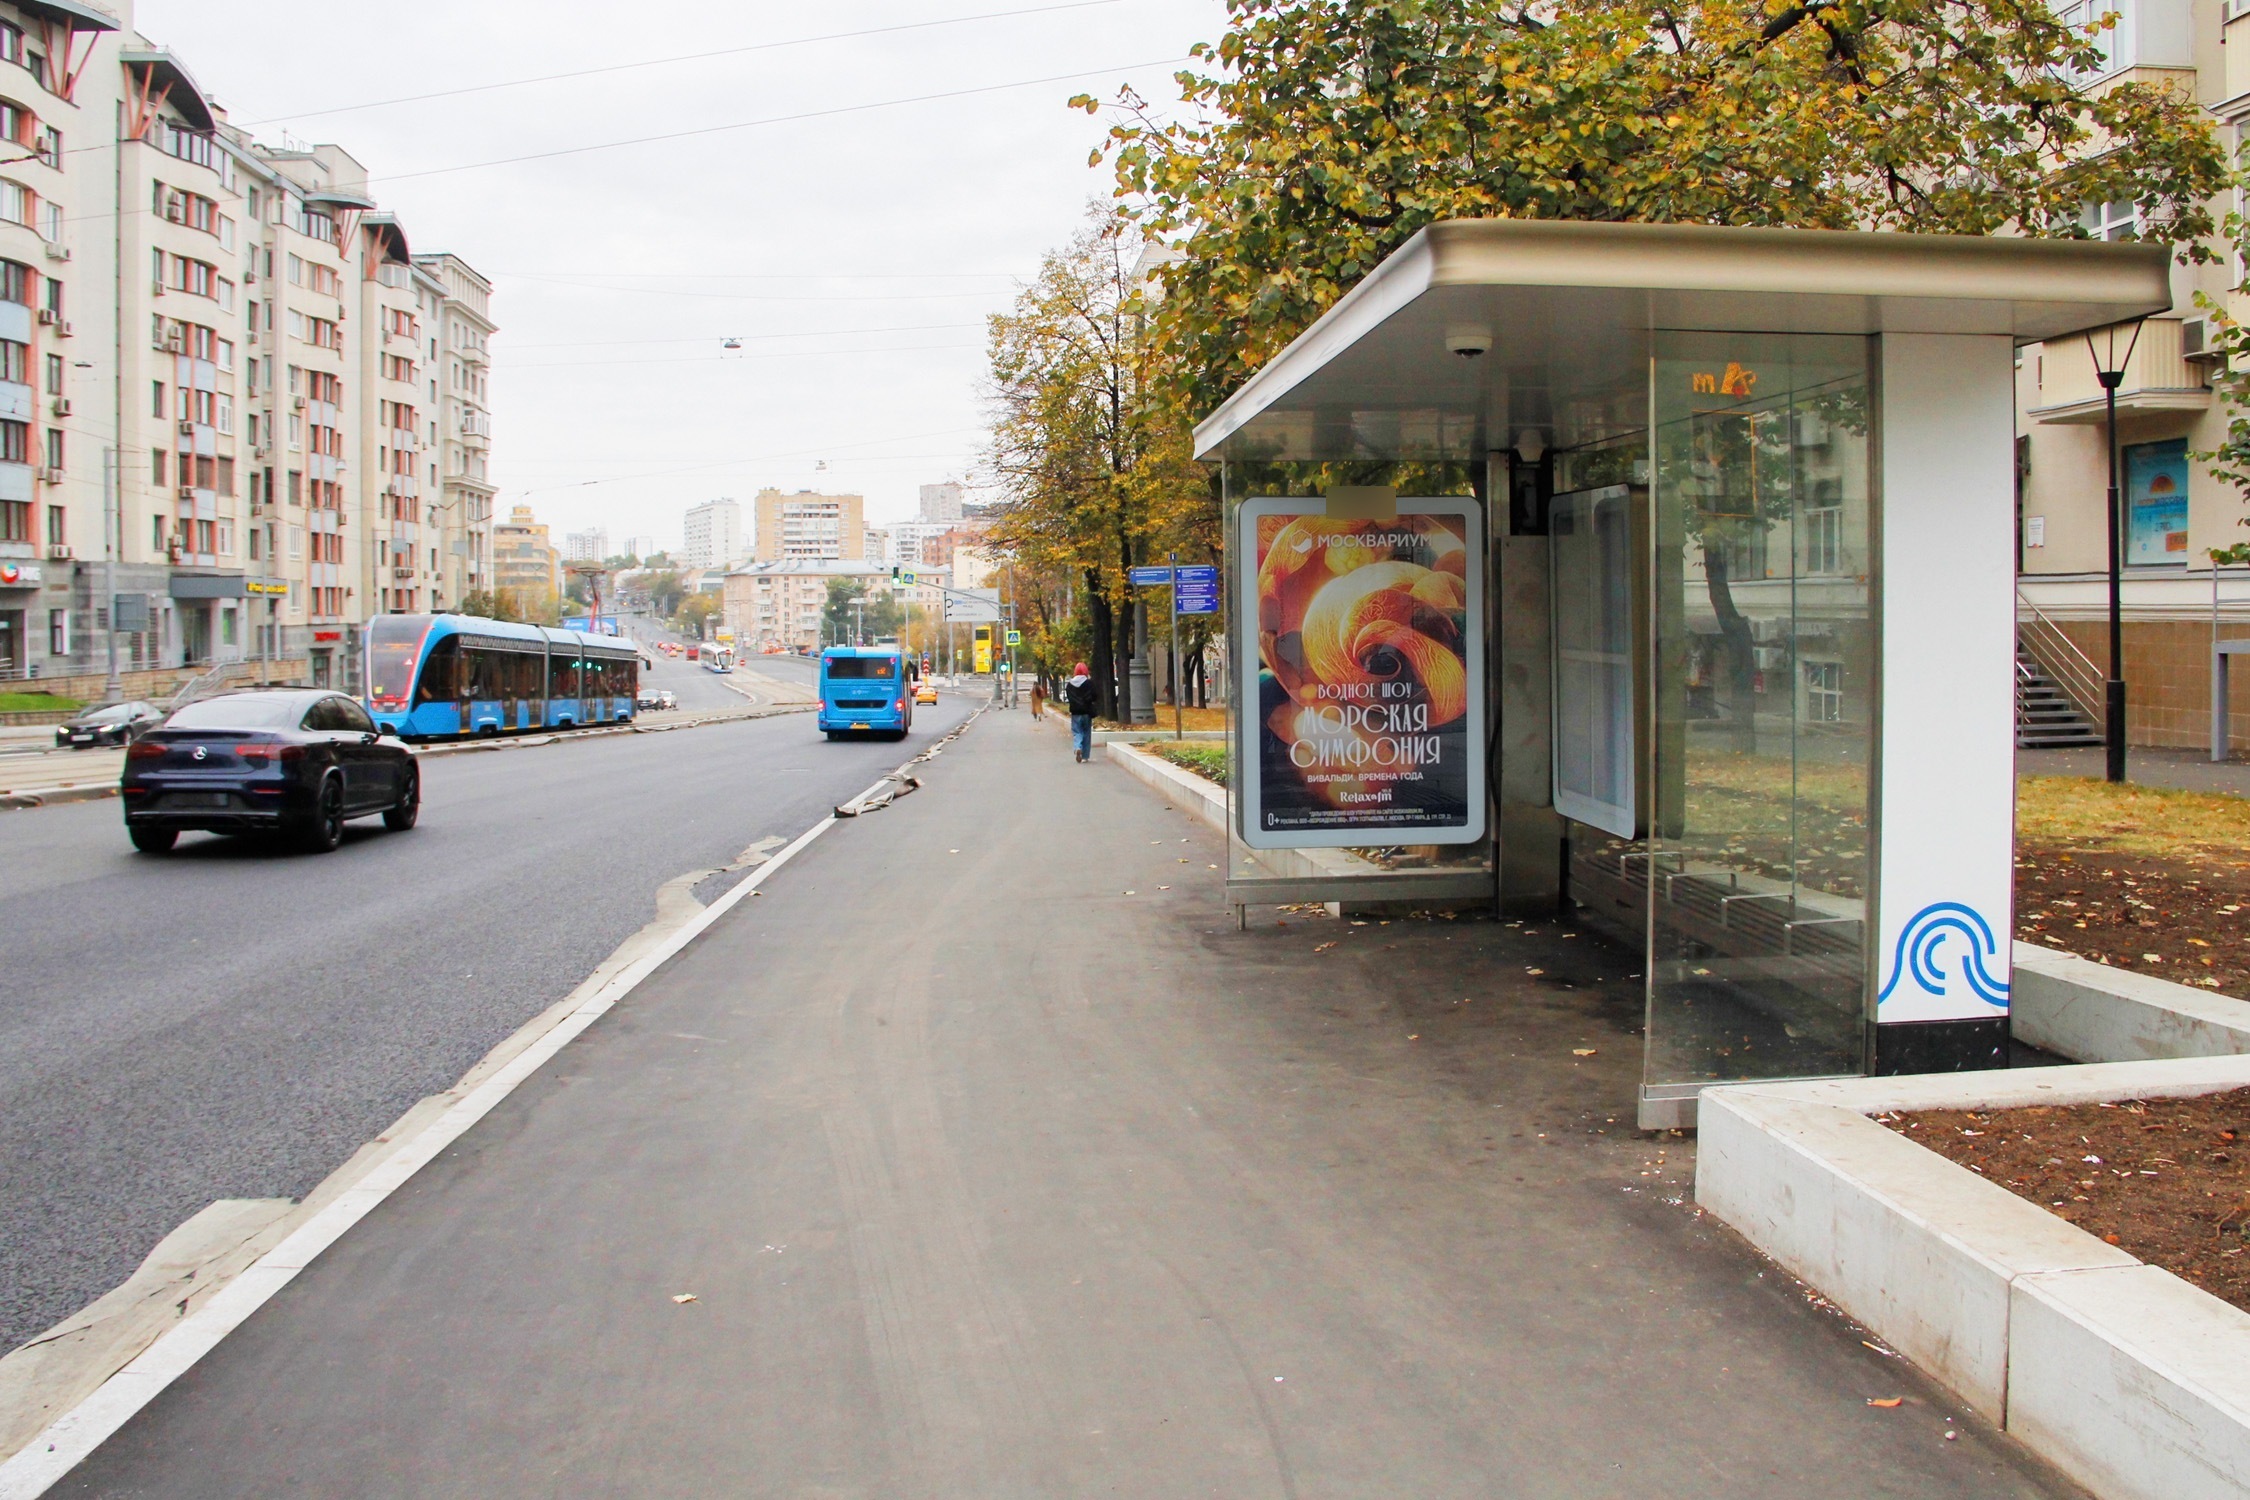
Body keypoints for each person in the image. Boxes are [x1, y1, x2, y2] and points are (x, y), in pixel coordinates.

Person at [1063, 662, 1098, 762]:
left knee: (1077, 732)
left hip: (1075, 713)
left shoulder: (1069, 685)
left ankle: (1078, 747)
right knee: (1086, 733)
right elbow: (1095, 696)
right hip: (1087, 712)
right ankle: (1085, 757)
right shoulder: (1089, 683)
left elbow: (1069, 698)